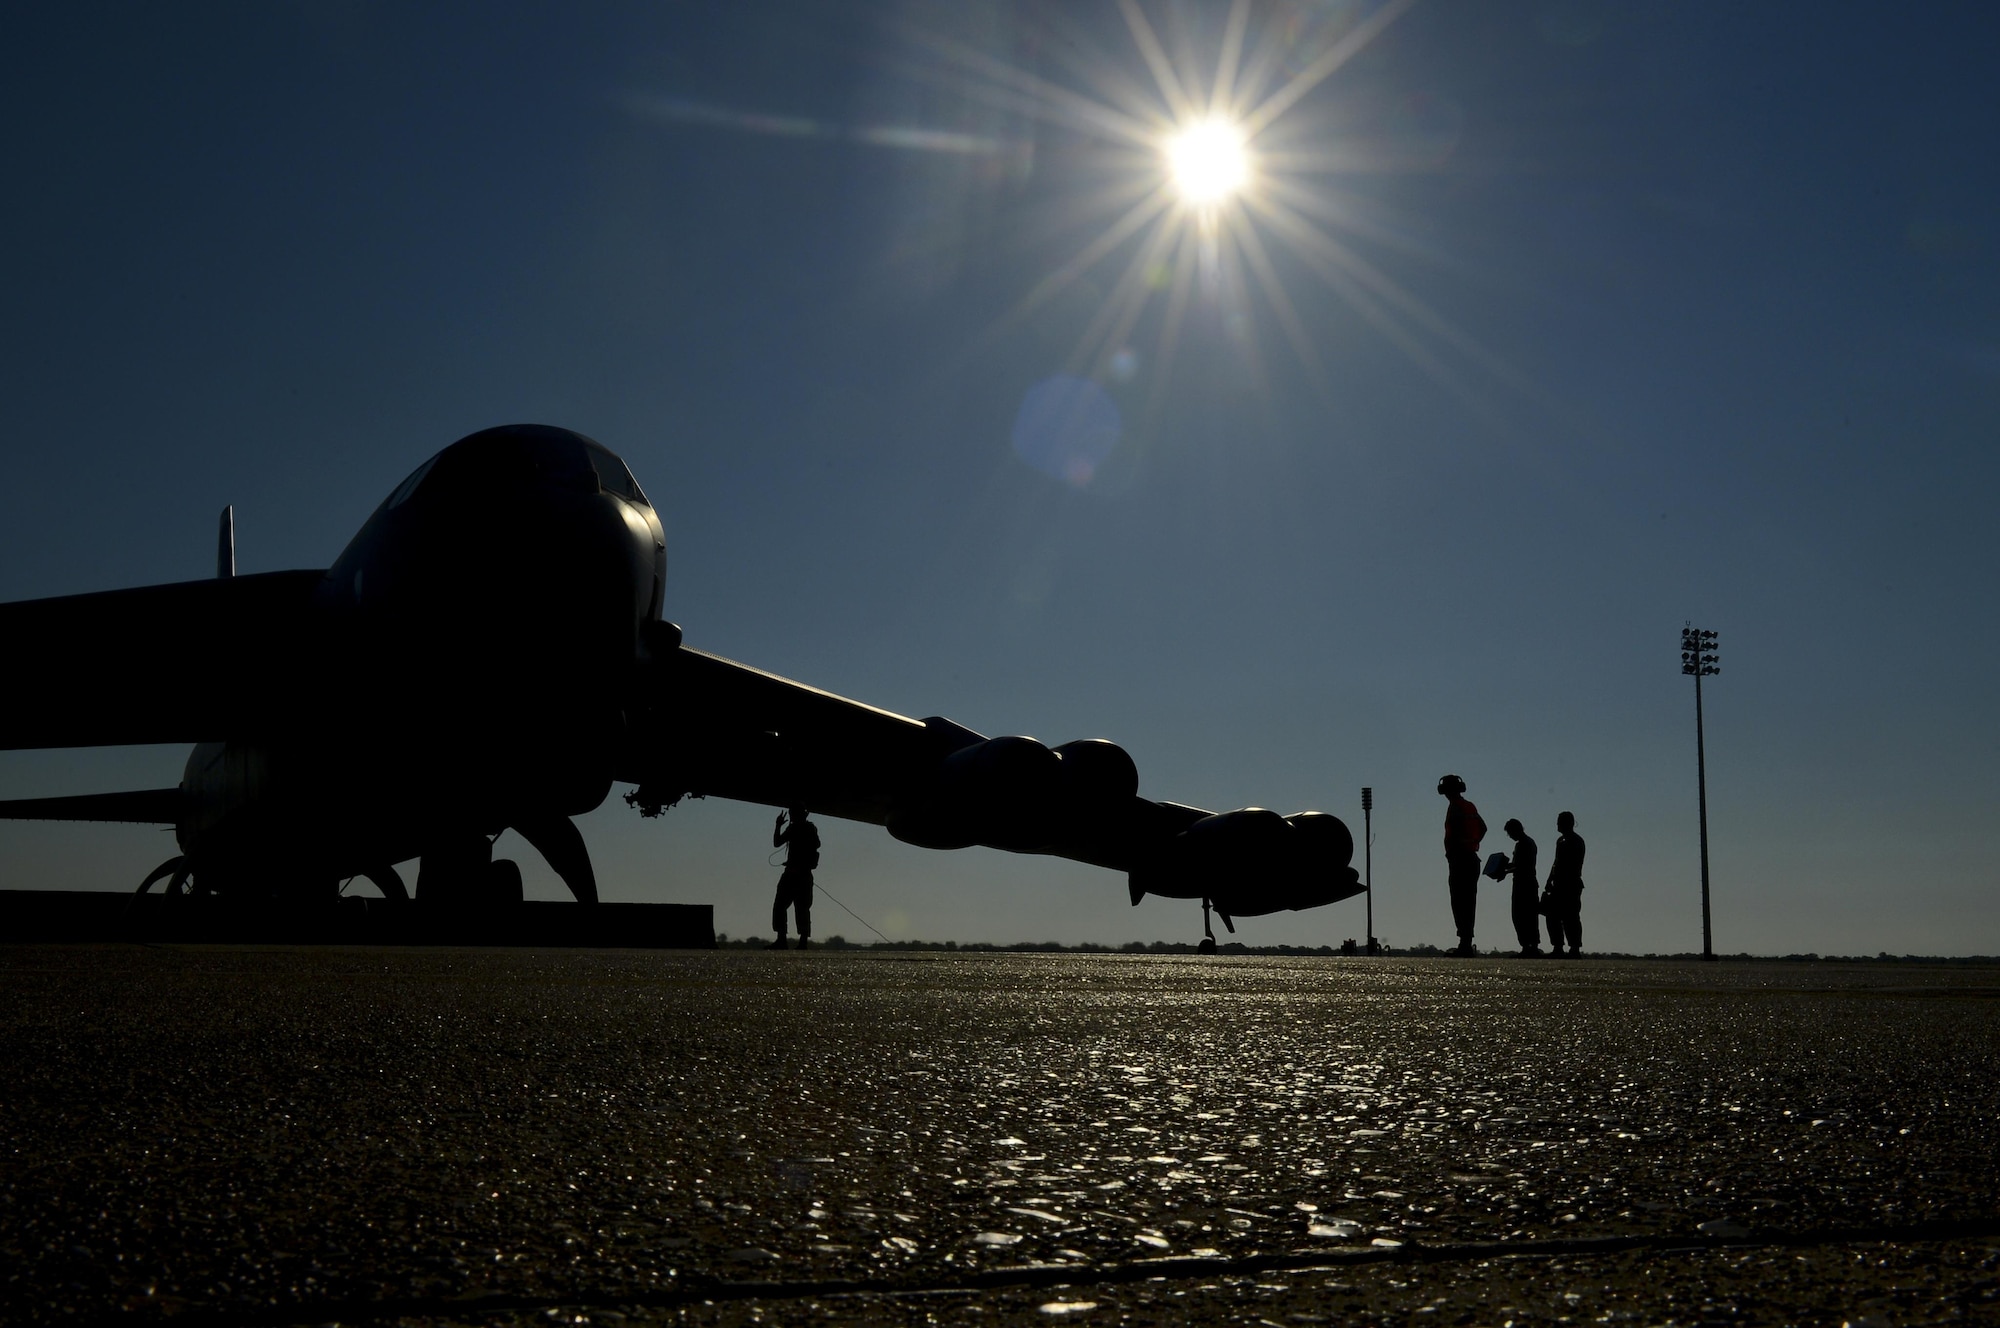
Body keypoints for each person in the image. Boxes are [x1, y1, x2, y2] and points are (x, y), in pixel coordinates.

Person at [1438, 774, 1486, 955]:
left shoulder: (1456, 808)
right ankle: (1466, 941)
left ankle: (1464, 943)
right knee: (1468, 901)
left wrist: (1456, 850)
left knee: (1460, 902)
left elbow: (1456, 833)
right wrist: (1473, 842)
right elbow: (1483, 827)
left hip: (1461, 860)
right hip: (1471, 857)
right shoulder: (1469, 806)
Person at [769, 806, 820, 949]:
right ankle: (799, 941)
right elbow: (817, 844)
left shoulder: (798, 829)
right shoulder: (807, 828)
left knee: (786, 906)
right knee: (800, 907)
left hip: (794, 873)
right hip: (801, 874)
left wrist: (778, 826)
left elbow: (776, 842)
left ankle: (784, 940)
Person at [1544, 810, 1585, 957]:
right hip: (1558, 883)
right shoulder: (1560, 841)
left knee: (1571, 917)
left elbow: (1572, 865)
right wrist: (1550, 880)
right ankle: (1558, 947)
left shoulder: (1575, 841)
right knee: (1553, 916)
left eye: (1560, 822)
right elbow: (1556, 862)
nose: (1557, 825)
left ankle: (1574, 948)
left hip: (1570, 884)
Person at [1503, 818, 1541, 956]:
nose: (1510, 836)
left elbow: (1522, 865)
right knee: (1526, 916)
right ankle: (1529, 946)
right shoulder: (1527, 843)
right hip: (1525, 883)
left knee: (1523, 915)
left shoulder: (1524, 844)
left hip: (1525, 884)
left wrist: (1505, 871)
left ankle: (1530, 946)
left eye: (1510, 833)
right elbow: (1517, 864)